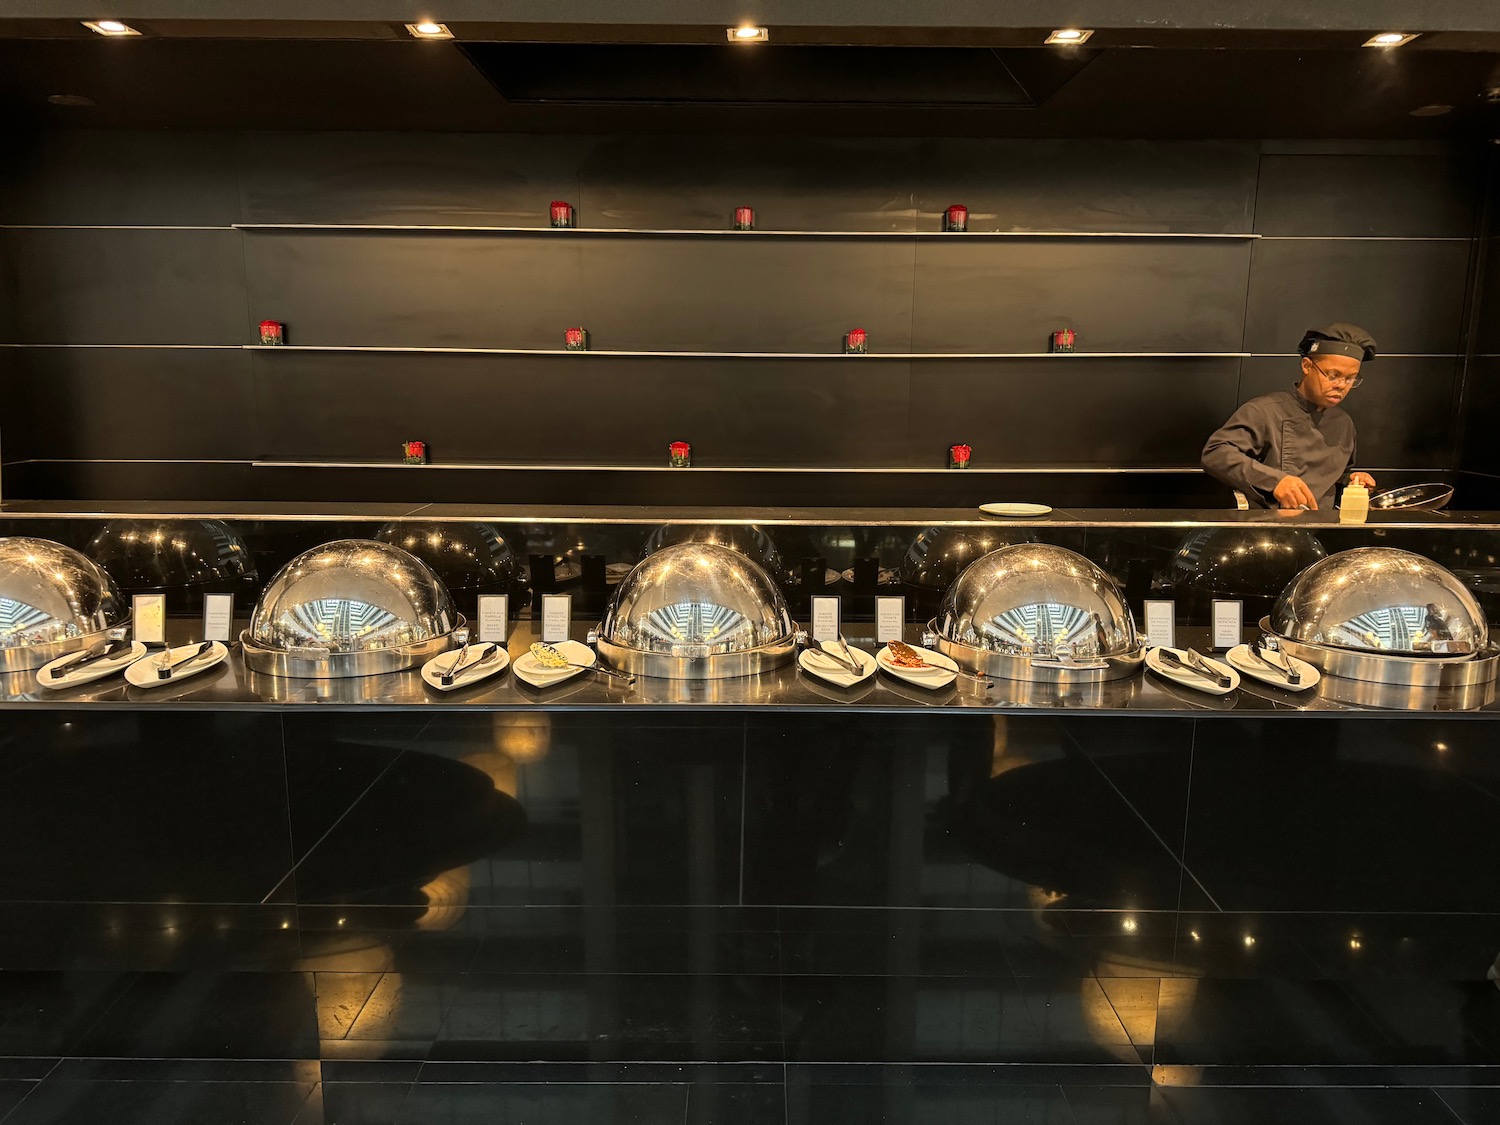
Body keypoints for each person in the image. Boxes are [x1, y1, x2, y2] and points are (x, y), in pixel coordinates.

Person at [1202, 323, 1378, 510]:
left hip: (1323, 528)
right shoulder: (1264, 411)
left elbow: (1332, 478)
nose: (1342, 385)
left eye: (1350, 378)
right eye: (1333, 375)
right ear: (1307, 366)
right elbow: (1215, 453)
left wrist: (1351, 483)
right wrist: (1275, 481)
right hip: (1267, 529)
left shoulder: (1344, 423)